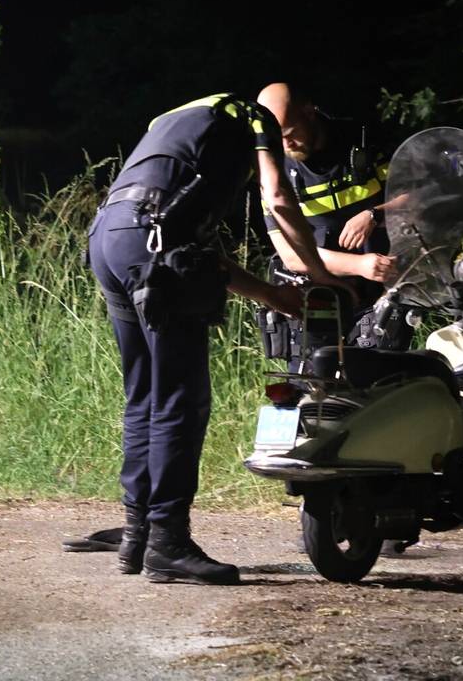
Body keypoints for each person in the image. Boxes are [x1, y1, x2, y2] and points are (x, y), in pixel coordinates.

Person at [85, 92, 349, 585]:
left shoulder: (183, 120)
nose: (285, 142)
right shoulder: (254, 121)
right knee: (180, 400)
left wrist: (270, 295)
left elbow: (198, 251)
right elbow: (276, 197)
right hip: (152, 245)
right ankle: (169, 541)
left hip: (110, 237)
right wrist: (318, 273)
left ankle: (137, 534)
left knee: (143, 396)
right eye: (283, 133)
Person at [255, 83, 407, 356]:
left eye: (291, 134)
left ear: (309, 112)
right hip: (319, 297)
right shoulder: (273, 167)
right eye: (277, 138)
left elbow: (415, 195)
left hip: (382, 290)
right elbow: (290, 255)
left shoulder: (363, 139)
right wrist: (359, 265)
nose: (286, 145)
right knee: (317, 382)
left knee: (381, 376)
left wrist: (376, 213)